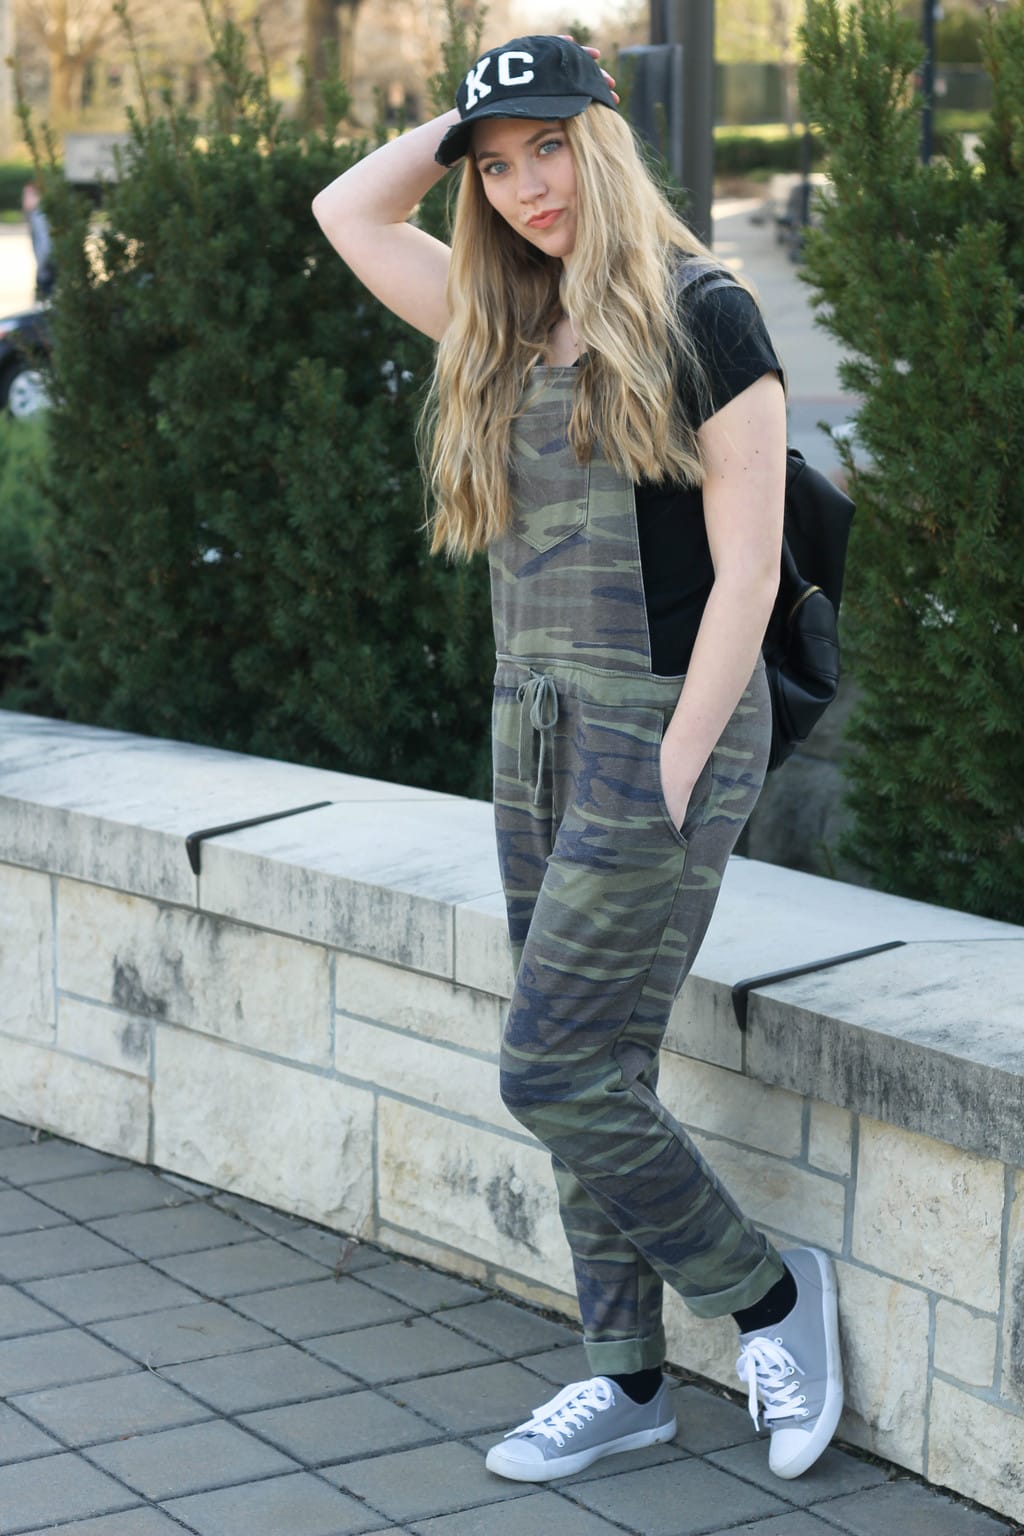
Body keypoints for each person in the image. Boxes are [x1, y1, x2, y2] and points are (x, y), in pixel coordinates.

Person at [313, 32, 843, 1487]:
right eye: (498, 167)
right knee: (595, 1061)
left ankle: (768, 1297)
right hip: (534, 721)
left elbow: (746, 577)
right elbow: (344, 214)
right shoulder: (500, 314)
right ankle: (624, 1375)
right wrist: (471, 113)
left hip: (665, 729)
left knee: (547, 1069)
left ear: (601, 144)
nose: (527, 187)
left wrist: (673, 776)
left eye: (550, 147)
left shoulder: (706, 313)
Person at [22, 182, 55, 302]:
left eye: (27, 195)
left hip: (46, 272)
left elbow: (46, 245)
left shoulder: (39, 216)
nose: (24, 200)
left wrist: (42, 268)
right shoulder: (37, 215)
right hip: (46, 270)